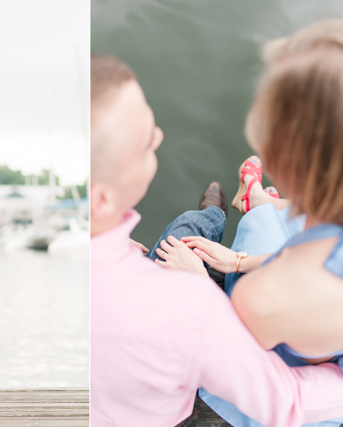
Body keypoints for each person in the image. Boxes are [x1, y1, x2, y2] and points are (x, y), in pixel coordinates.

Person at [90, 53, 343, 427]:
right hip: (207, 386)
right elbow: (285, 401)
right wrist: (201, 289)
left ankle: (232, 211)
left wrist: (106, 241)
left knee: (187, 232)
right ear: (103, 199)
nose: (159, 135)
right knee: (185, 234)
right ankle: (227, 213)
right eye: (146, 142)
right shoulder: (195, 310)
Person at [156, 21, 343, 427]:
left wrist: (199, 286)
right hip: (303, 321)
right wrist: (239, 262)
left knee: (179, 240)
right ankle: (255, 202)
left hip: (284, 395)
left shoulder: (265, 298)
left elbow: (241, 363)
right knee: (256, 225)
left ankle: (226, 211)